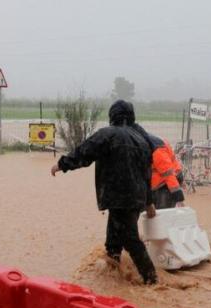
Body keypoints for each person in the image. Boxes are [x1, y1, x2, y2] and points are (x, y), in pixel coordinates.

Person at [51, 100, 158, 285]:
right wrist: (149, 202)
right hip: (136, 198)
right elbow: (147, 174)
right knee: (114, 236)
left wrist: (62, 164)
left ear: (112, 116)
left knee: (130, 238)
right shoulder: (142, 140)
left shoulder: (108, 134)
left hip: (118, 196)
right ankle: (113, 271)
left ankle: (152, 280)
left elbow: (84, 152)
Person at [147, 134, 185, 209]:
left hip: (165, 184)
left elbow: (168, 173)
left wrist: (178, 196)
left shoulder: (156, 150)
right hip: (159, 183)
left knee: (163, 213)